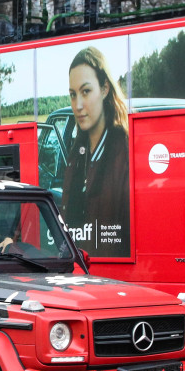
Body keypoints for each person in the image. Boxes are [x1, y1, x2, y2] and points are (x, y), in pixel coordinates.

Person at [60, 46, 129, 254]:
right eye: (73, 95)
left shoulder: (123, 150)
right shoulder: (77, 154)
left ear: (105, 89)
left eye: (86, 91)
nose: (78, 105)